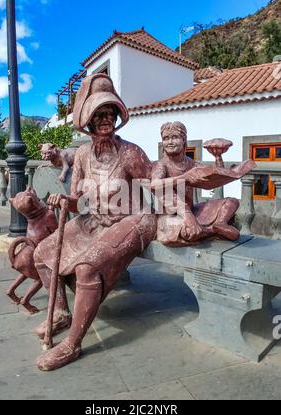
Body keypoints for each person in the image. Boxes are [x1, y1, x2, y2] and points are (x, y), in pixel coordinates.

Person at [34, 74, 157, 371]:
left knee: (87, 267)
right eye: (99, 114)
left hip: (134, 220)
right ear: (88, 121)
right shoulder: (83, 155)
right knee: (41, 254)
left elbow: (157, 187)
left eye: (110, 113)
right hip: (93, 219)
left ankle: (72, 344)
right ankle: (61, 311)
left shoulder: (131, 153)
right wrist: (65, 201)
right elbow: (77, 200)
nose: (105, 119)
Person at [151, 121, 254, 246]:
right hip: (171, 215)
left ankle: (220, 224)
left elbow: (212, 175)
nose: (170, 142)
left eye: (175, 137)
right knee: (188, 232)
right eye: (166, 138)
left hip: (193, 210)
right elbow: (154, 185)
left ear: (184, 140)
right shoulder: (161, 165)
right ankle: (212, 230)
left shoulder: (191, 163)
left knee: (231, 202)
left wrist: (218, 158)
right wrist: (185, 177)